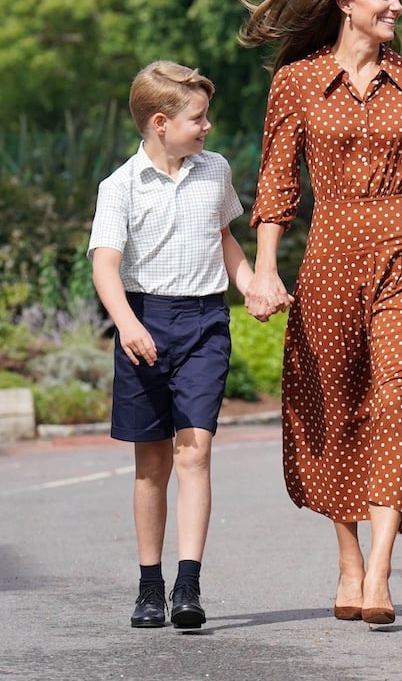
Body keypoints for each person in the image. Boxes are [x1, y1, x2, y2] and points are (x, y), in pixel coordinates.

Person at [239, 0, 402, 626]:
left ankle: (379, 572)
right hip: (329, 257)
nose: (397, 7)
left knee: (392, 402)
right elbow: (277, 186)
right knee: (333, 408)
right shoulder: (297, 84)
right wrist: (264, 269)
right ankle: (347, 563)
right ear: (346, 2)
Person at [89, 60, 254, 629]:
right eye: (197, 119)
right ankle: (149, 585)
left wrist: (251, 283)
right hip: (143, 322)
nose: (206, 128)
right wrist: (127, 324)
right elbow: (105, 267)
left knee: (196, 450)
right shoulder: (120, 187)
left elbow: (226, 237)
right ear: (161, 122)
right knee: (152, 462)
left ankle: (188, 584)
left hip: (206, 322)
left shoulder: (215, 171)